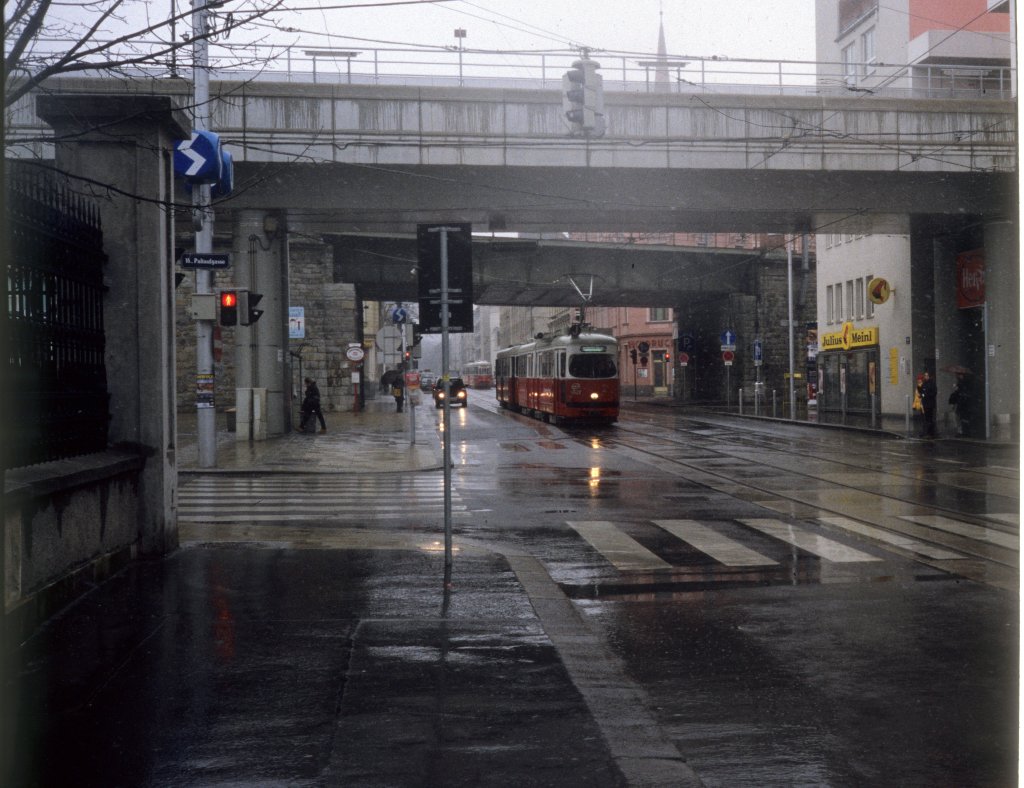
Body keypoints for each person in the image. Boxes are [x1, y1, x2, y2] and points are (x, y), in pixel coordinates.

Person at [949, 372, 974, 436]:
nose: (958, 376)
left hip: (962, 404)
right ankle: (962, 431)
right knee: (959, 417)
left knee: (961, 418)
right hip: (961, 403)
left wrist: (957, 388)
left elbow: (961, 393)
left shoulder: (963, 384)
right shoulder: (961, 383)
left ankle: (963, 431)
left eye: (959, 375)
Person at [917, 370, 937, 438]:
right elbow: (922, 391)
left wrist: (926, 395)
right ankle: (925, 432)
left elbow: (933, 393)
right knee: (925, 418)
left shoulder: (932, 384)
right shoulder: (924, 383)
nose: (925, 377)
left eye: (927, 375)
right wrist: (920, 389)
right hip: (925, 403)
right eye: (925, 375)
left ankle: (930, 433)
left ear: (929, 376)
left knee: (929, 418)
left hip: (930, 403)